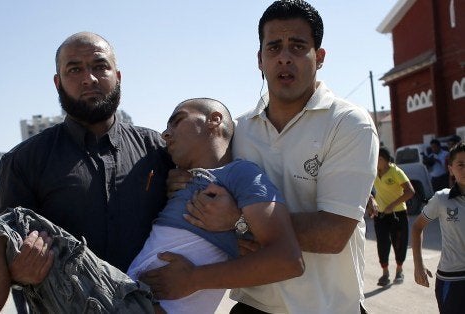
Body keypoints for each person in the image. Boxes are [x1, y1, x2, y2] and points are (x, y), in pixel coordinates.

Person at [143, 1, 379, 313]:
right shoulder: (238, 131)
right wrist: (183, 183)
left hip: (328, 307)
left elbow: (333, 234)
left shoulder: (348, 123)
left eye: (298, 46)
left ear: (318, 57)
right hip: (252, 305)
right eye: (274, 47)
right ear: (260, 59)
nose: (284, 57)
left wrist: (237, 221)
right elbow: (201, 189)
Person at [0, 31, 173, 313]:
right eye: (75, 69)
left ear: (117, 75)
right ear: (58, 83)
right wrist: (18, 272)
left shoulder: (158, 150)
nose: (89, 78)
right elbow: (4, 248)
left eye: (99, 66)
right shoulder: (25, 161)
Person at [127, 98, 304, 313]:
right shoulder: (177, 180)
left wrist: (193, 279)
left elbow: (288, 260)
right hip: (125, 300)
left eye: (177, 121)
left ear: (214, 120)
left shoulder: (242, 174)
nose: (165, 134)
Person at [412, 142, 465, 313]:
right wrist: (418, 265)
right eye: (461, 165)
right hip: (452, 280)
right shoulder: (442, 199)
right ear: (450, 169)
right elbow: (417, 227)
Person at [366, 148, 415, 286]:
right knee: (382, 244)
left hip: (397, 214)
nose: (376, 161)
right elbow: (367, 189)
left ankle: (399, 271)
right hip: (380, 215)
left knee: (399, 243)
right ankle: (385, 273)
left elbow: (410, 191)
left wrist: (392, 206)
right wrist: (371, 201)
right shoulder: (374, 172)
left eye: (379, 159)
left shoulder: (396, 172)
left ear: (386, 160)